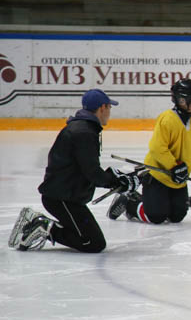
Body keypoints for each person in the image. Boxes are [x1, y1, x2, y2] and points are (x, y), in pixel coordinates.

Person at [8, 89, 140, 252]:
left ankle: (45, 227)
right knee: (92, 243)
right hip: (61, 199)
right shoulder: (84, 132)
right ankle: (42, 226)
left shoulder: (83, 128)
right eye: (109, 107)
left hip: (66, 195)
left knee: (93, 240)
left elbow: (87, 168)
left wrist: (113, 177)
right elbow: (92, 173)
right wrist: (116, 181)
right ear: (102, 107)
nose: (110, 112)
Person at [107, 78, 191, 223]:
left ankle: (148, 201)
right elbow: (157, 148)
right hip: (157, 176)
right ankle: (130, 203)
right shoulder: (167, 119)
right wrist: (174, 166)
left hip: (177, 179)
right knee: (156, 216)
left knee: (177, 216)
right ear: (182, 100)